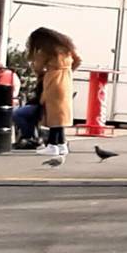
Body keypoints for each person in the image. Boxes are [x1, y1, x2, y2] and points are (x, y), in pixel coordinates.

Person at [27, 28, 80, 165]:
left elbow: (38, 68)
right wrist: (67, 70)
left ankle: (52, 145)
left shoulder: (45, 50)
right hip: (66, 81)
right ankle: (61, 144)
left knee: (53, 114)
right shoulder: (66, 47)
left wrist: (44, 73)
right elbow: (78, 60)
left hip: (53, 81)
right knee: (61, 114)